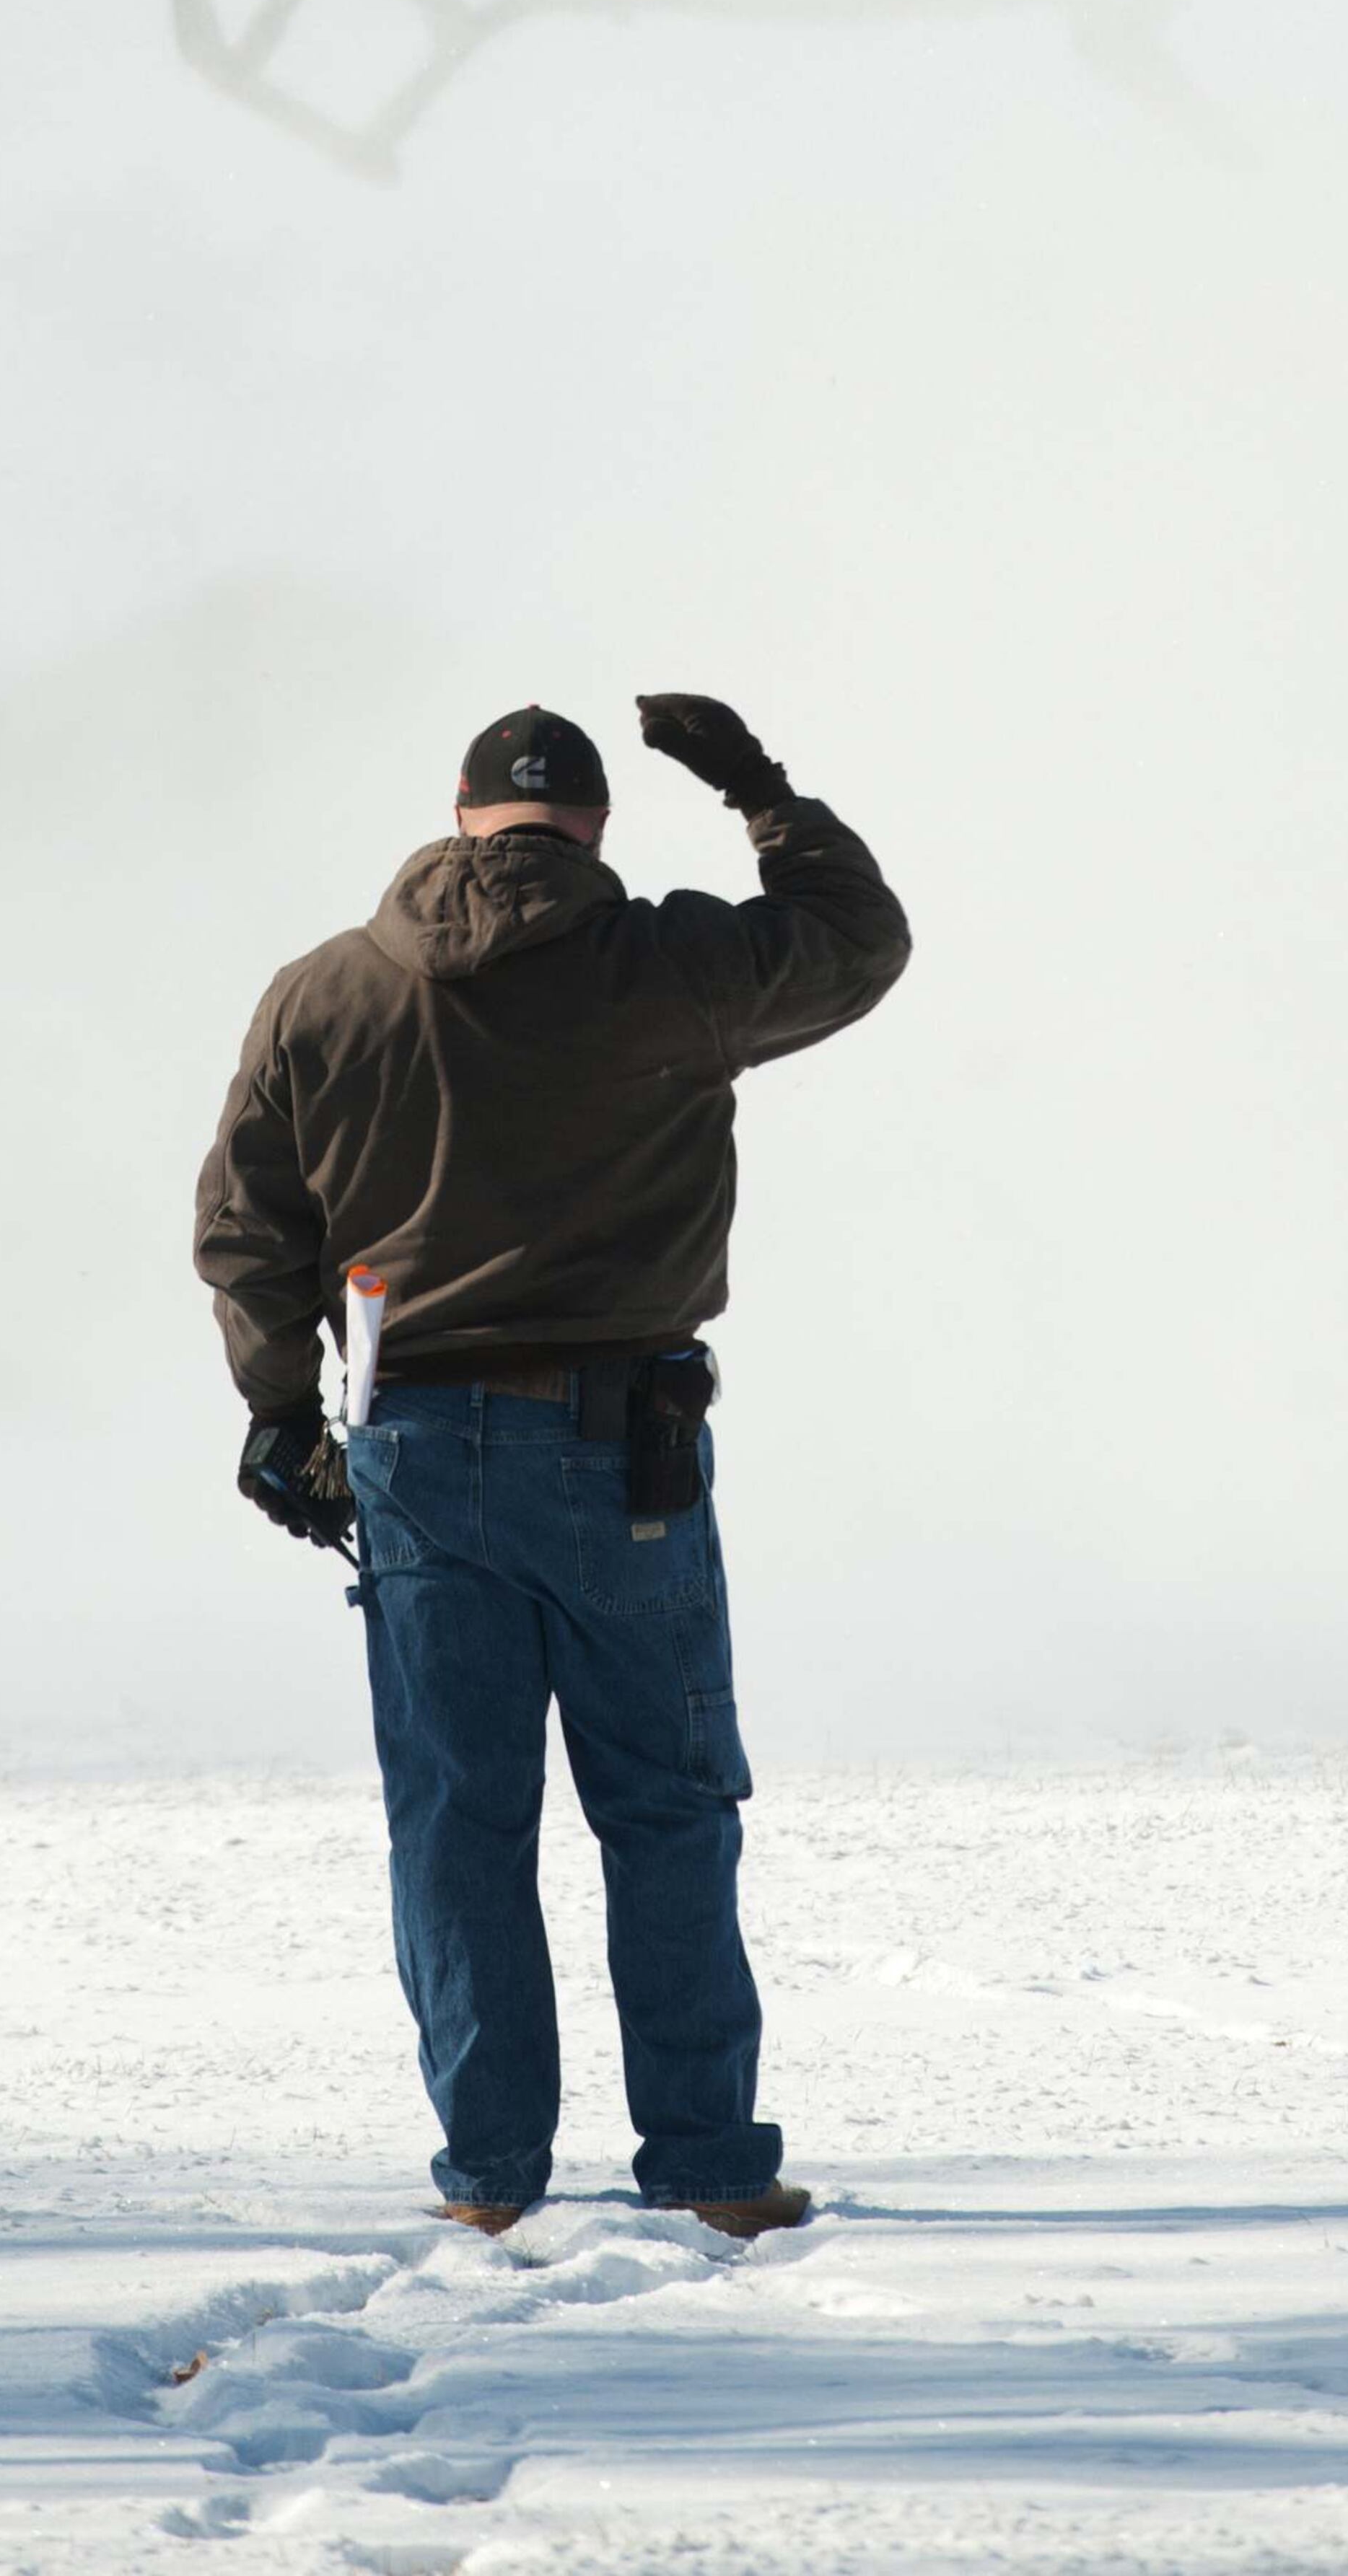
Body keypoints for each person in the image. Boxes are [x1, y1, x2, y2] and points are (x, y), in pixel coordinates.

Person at [193, 691, 910, 2239]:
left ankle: (489, 2185)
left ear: (459, 817)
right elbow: (860, 943)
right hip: (621, 1451)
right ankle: (712, 2169)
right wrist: (760, 791)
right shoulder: (669, 970)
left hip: (412, 1455)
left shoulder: (325, 993)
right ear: (590, 829)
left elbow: (250, 1231)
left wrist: (277, 1411)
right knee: (663, 1807)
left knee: (458, 1822)